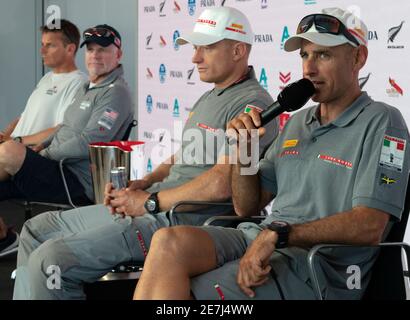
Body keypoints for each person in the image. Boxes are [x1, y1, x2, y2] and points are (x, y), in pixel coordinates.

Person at [134, 7, 410, 300]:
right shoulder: (297, 122)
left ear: (358, 58)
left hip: (315, 266)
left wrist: (281, 234)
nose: (309, 69)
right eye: (305, 55)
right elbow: (247, 206)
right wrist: (245, 149)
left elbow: (370, 226)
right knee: (167, 243)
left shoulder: (383, 122)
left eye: (323, 55)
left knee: (185, 293)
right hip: (264, 238)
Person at [12, 7, 278, 300]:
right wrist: (145, 182)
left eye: (208, 48)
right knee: (36, 229)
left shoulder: (254, 106)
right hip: (156, 206)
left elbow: (223, 183)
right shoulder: (212, 94)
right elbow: (183, 156)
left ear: (239, 50)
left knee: (51, 261)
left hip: (181, 221)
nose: (195, 57)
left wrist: (150, 202)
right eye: (196, 48)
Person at [0, 24, 133, 258]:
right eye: (90, 50)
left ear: (118, 55)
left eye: (103, 50)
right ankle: (5, 239)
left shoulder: (116, 92)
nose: (95, 56)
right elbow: (64, 127)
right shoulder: (87, 87)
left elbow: (89, 141)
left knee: (8, 151)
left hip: (74, 181)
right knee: (8, 152)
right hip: (55, 169)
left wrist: (42, 155)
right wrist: (39, 146)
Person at [0, 19, 86, 258]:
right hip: (15, 149)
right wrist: (7, 134)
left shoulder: (78, 83)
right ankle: (4, 238)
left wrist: (16, 140)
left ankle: (5, 239)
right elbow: (25, 117)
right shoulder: (46, 79)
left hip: (39, 161)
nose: (42, 50)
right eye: (42, 44)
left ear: (70, 49)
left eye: (50, 45)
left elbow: (61, 129)